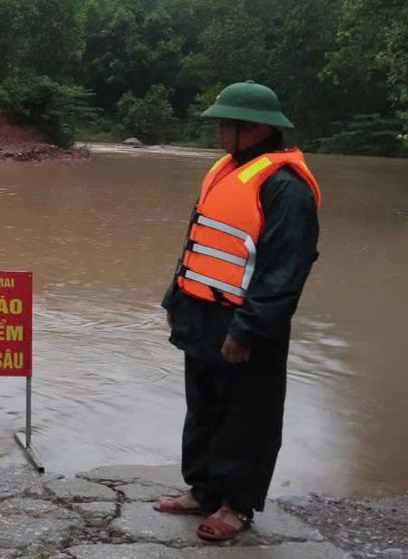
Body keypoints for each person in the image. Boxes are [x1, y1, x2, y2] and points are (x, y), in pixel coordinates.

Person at [155, 81, 321, 541]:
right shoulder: (225, 171)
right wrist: (175, 298)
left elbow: (284, 272)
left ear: (257, 130)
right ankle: (204, 490)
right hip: (202, 314)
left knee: (247, 416)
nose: (219, 132)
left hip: (246, 323)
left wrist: (247, 330)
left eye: (227, 124)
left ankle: (236, 504)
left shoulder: (287, 189)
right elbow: (199, 239)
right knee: (204, 406)